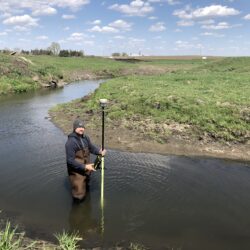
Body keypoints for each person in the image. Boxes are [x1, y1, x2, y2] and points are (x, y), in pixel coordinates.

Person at [65, 119, 106, 202]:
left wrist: (99, 152)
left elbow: (91, 148)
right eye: (79, 127)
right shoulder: (70, 142)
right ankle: (77, 208)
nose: (81, 129)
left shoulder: (85, 137)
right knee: (79, 195)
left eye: (83, 127)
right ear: (74, 128)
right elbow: (70, 161)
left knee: (87, 187)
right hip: (77, 172)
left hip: (87, 169)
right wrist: (85, 166)